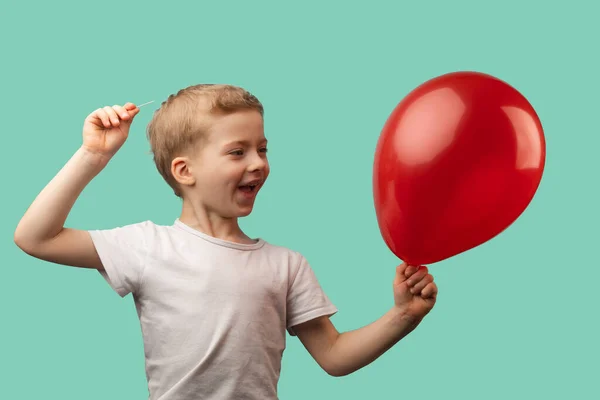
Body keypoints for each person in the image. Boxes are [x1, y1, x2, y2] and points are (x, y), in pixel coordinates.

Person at [14, 84, 438, 400]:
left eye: (262, 149)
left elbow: (334, 356)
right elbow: (36, 237)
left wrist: (403, 316)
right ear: (184, 171)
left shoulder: (285, 265)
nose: (258, 163)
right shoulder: (146, 246)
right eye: (237, 152)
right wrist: (94, 155)